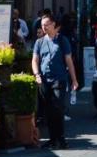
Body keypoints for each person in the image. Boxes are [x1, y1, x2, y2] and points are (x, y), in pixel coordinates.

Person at [32, 15, 78, 149]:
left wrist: (74, 79)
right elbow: (35, 60)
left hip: (59, 79)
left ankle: (61, 138)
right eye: (42, 25)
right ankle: (53, 139)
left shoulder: (62, 40)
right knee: (48, 110)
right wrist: (37, 74)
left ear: (54, 25)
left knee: (58, 108)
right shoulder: (39, 42)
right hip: (44, 80)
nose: (43, 27)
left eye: (46, 24)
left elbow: (69, 61)